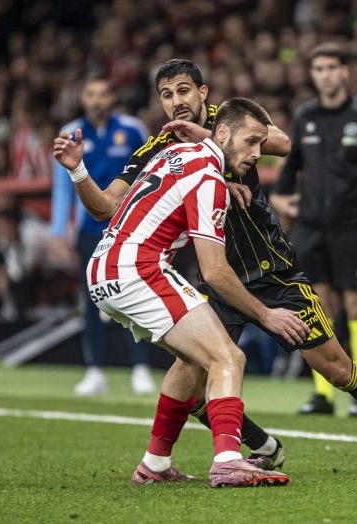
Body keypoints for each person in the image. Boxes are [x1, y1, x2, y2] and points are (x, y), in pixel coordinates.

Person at [94, 59, 357, 475]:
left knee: (335, 367)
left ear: (203, 93)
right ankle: (238, 450)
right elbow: (110, 204)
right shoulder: (159, 146)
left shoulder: (231, 122)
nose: (177, 102)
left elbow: (285, 143)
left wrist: (214, 145)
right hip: (222, 279)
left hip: (273, 272)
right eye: (167, 95)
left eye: (184, 91)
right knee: (195, 371)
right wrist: (77, 172)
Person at [53, 97, 307, 487]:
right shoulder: (208, 178)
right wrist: (267, 314)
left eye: (261, 144)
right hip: (139, 268)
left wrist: (226, 182)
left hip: (105, 267)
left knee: (192, 363)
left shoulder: (182, 154)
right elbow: (216, 272)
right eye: (251, 142)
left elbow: (142, 197)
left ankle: (154, 465)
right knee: (228, 358)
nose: (258, 154)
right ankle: (227, 460)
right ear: (222, 132)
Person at [271, 42, 357, 417]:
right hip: (311, 227)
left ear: (344, 72)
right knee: (315, 305)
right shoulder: (305, 118)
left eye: (331, 67)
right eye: (318, 68)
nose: (324, 74)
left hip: (352, 227)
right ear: (314, 74)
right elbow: (288, 173)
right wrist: (279, 198)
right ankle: (323, 393)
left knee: (356, 304)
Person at [51, 74, 156, 396]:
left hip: (129, 229)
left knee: (135, 297)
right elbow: (62, 187)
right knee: (91, 301)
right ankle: (95, 370)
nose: (96, 100)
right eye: (90, 94)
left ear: (113, 98)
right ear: (82, 98)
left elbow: (150, 174)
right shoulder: (69, 133)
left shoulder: (133, 129)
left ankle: (141, 368)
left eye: (102, 94)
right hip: (88, 230)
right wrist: (58, 232)